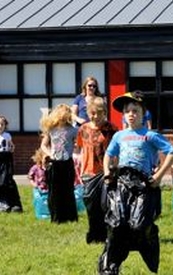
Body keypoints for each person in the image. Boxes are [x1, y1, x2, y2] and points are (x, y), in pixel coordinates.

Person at [98, 92, 173, 274]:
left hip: (143, 185)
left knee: (138, 225)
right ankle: (110, 265)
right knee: (116, 224)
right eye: (127, 112)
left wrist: (158, 177)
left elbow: (172, 153)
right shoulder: (119, 136)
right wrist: (108, 172)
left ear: (143, 114)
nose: (131, 114)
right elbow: (109, 155)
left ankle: (150, 241)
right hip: (122, 183)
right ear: (123, 115)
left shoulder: (150, 135)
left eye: (135, 111)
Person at [76, 97, 119, 243]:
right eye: (92, 113)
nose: (94, 116)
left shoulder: (111, 129)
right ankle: (95, 235)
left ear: (104, 112)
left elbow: (117, 151)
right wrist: (81, 171)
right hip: (89, 172)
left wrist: (115, 170)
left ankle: (108, 235)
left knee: (106, 205)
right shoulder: (83, 129)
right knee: (91, 206)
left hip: (106, 171)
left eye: (98, 113)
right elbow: (82, 150)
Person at [40, 104, 79, 223]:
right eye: (61, 115)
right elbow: (43, 145)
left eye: (65, 115)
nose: (62, 117)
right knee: (54, 191)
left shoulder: (73, 130)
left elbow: (78, 144)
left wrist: (76, 151)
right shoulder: (51, 129)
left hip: (67, 162)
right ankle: (57, 217)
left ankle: (70, 216)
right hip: (54, 163)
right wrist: (49, 154)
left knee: (68, 189)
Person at [28, 148, 50, 220]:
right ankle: (40, 213)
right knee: (39, 200)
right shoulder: (35, 168)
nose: (47, 161)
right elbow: (30, 177)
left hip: (48, 189)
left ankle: (48, 213)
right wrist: (34, 184)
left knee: (47, 202)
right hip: (38, 189)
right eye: (45, 159)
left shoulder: (50, 168)